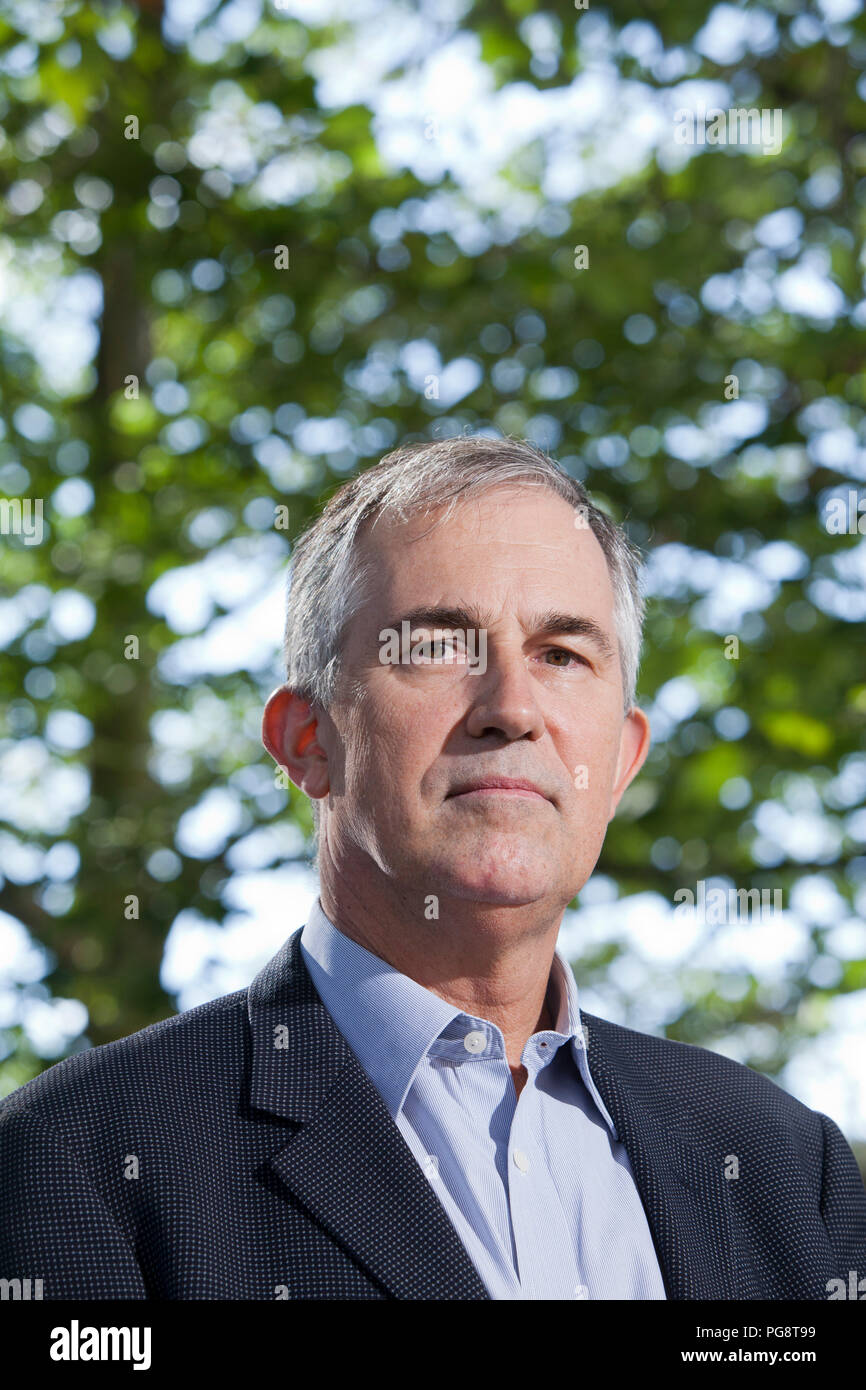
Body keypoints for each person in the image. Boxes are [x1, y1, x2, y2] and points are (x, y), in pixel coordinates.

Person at [1, 436, 863, 1300]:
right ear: (308, 743)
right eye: (436, 646)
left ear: (623, 762)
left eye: (562, 654)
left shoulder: (789, 1168)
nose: (512, 709)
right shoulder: (76, 1165)